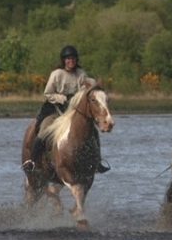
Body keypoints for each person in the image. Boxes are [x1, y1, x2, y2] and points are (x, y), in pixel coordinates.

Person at [21, 45, 109, 174]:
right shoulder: (56, 74)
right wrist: (63, 98)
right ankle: (32, 161)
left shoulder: (81, 74)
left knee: (93, 132)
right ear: (64, 60)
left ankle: (97, 162)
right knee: (44, 129)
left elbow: (90, 85)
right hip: (56, 109)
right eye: (68, 59)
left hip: (73, 111)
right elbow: (48, 93)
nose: (71, 61)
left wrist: (98, 86)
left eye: (73, 58)